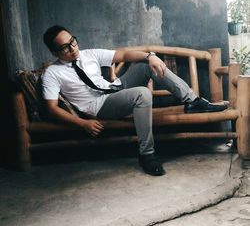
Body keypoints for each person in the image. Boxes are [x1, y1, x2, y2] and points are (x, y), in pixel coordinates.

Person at [42, 25, 227, 176]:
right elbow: (51, 108)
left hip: (114, 89)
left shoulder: (88, 54)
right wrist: (82, 123)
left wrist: (151, 56)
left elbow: (122, 55)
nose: (72, 48)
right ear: (53, 52)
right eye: (65, 47)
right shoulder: (52, 73)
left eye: (72, 41)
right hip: (98, 106)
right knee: (142, 94)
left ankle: (192, 101)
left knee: (147, 66)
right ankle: (146, 153)